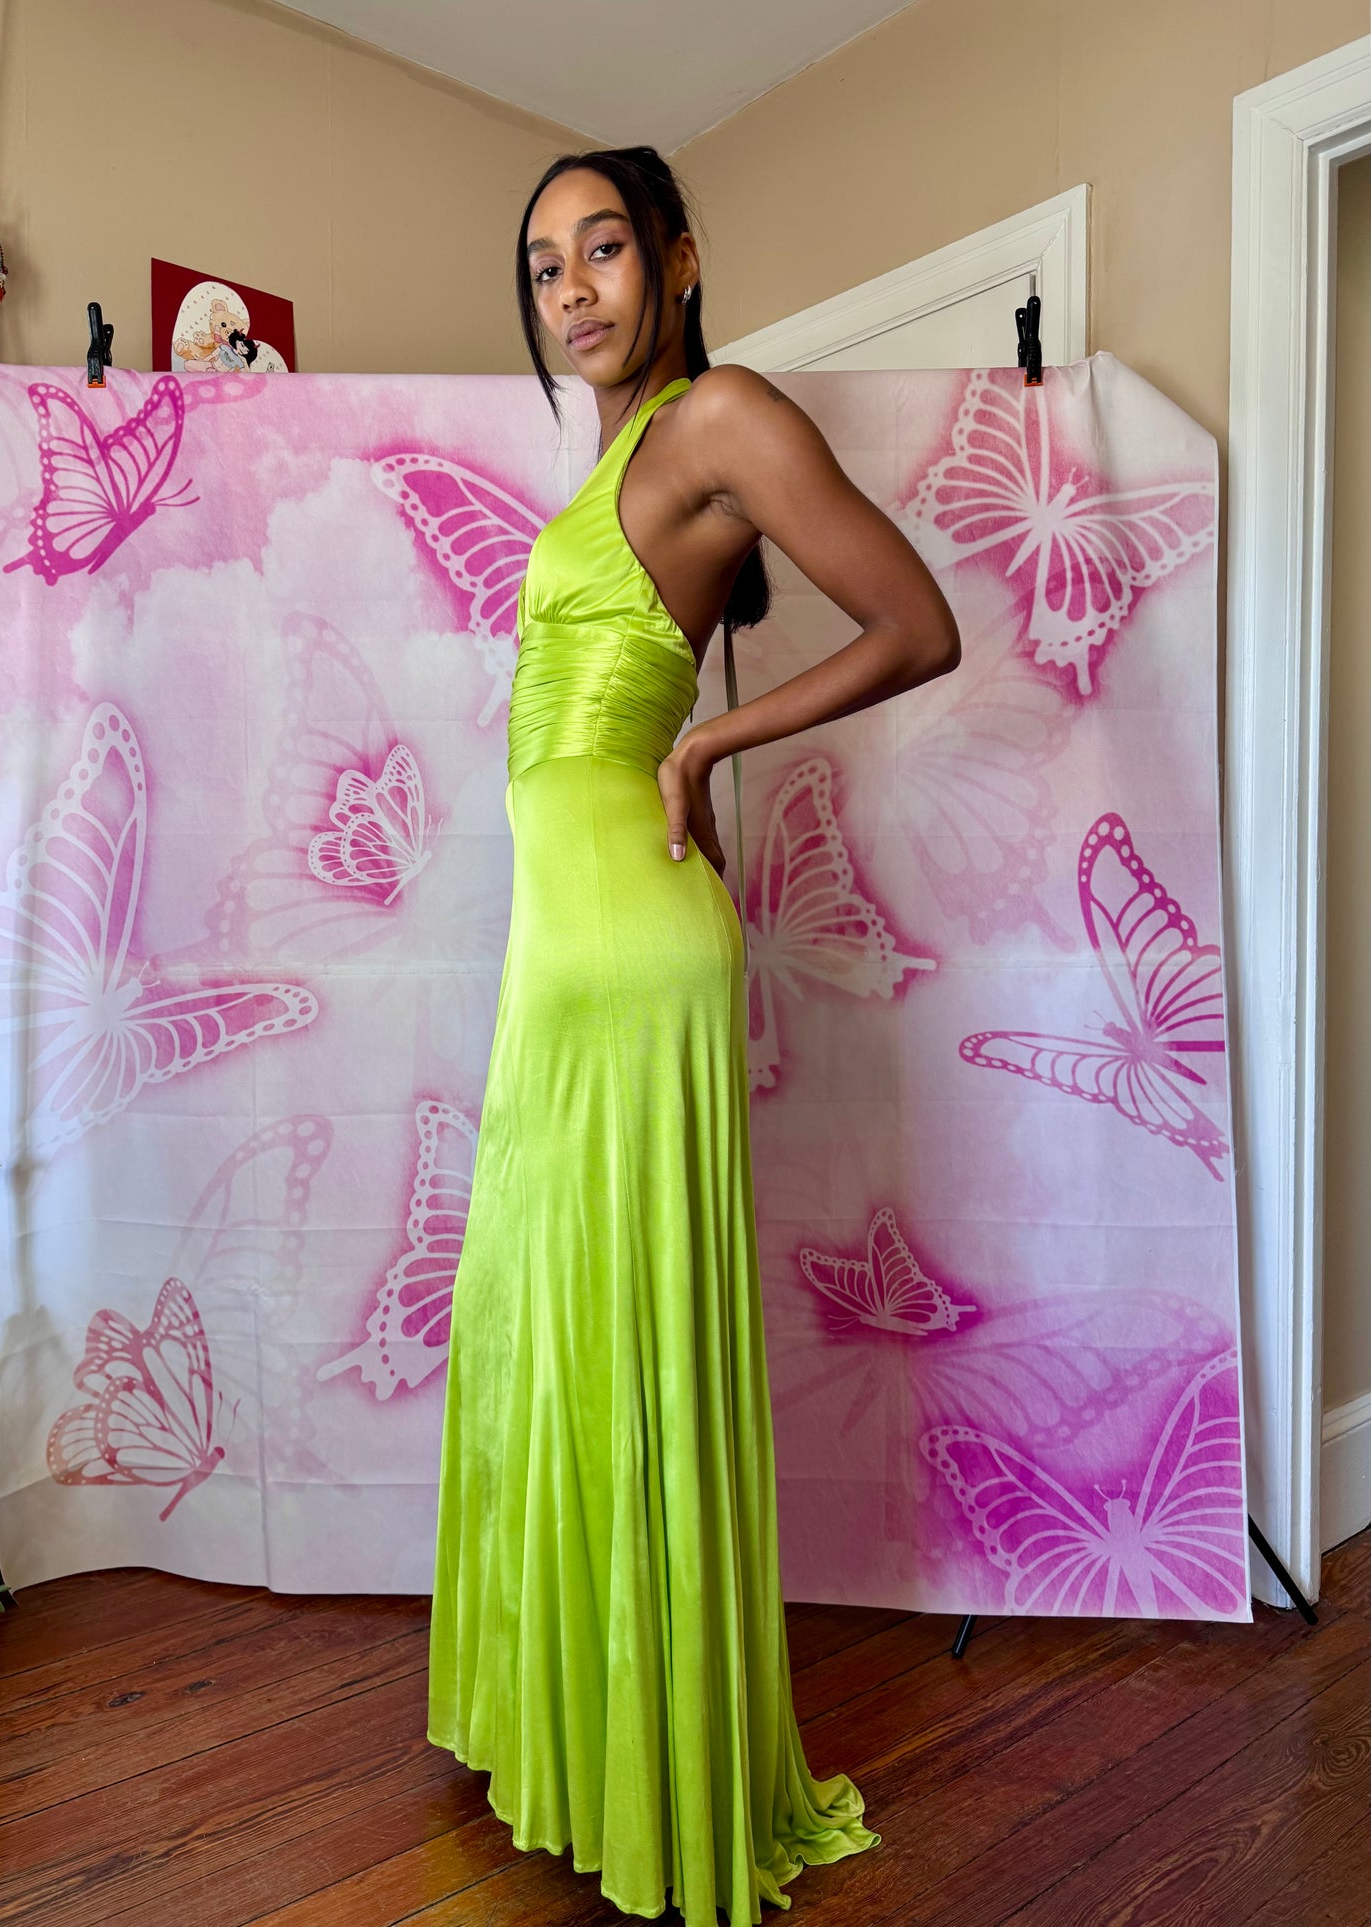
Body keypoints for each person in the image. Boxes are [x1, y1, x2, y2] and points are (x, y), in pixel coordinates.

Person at [426, 145, 960, 1926]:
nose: (570, 288)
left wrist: (710, 747)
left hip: (626, 953)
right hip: (567, 943)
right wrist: (683, 762)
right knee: (549, 1324)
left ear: (676, 259)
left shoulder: (717, 414)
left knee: (622, 1332)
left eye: (601, 249)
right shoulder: (622, 464)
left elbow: (918, 625)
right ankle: (574, 1737)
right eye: (542, 266)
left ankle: (658, 1769)